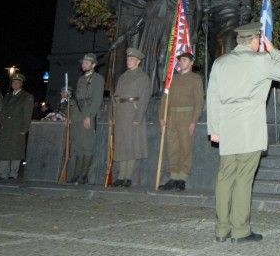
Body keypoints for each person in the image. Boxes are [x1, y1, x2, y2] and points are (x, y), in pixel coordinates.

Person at [207, 22, 280, 243]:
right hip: (249, 126)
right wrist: (272, 50)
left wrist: (214, 128)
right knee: (243, 179)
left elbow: (212, 96)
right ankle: (240, 230)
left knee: (225, 178)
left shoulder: (220, 62)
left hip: (226, 125)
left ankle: (221, 229)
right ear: (255, 40)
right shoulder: (261, 60)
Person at [158, 52, 204, 191]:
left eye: (184, 60)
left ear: (191, 63)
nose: (181, 62)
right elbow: (165, 99)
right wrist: (162, 118)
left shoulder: (195, 78)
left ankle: (182, 178)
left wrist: (193, 121)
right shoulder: (173, 79)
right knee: (172, 148)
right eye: (180, 60)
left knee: (185, 147)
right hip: (171, 117)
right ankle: (173, 177)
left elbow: (199, 101)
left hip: (186, 116)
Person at [111, 47, 152, 187]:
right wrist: (115, 107)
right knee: (122, 145)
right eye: (128, 58)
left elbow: (145, 98)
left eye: (132, 59)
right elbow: (117, 94)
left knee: (132, 145)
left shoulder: (142, 77)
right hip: (122, 113)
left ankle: (127, 177)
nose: (129, 61)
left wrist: (138, 117)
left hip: (133, 113)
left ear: (138, 61)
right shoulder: (123, 76)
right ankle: (121, 176)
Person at [68, 52, 105, 185]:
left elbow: (97, 99)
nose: (83, 64)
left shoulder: (98, 79)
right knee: (78, 144)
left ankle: (84, 175)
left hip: (88, 113)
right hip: (77, 114)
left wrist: (90, 116)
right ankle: (76, 174)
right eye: (83, 62)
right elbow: (78, 98)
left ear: (93, 65)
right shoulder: (81, 79)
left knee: (87, 145)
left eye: (86, 63)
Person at [0, 73, 34, 180]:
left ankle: (13, 174)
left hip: (17, 128)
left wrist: (24, 129)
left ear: (21, 84)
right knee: (4, 151)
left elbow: (27, 114)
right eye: (13, 82)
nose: (15, 84)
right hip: (5, 128)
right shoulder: (7, 96)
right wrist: (0, 123)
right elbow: (2, 111)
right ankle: (3, 174)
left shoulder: (26, 96)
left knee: (16, 151)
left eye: (17, 82)